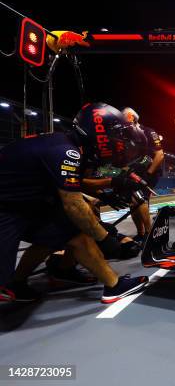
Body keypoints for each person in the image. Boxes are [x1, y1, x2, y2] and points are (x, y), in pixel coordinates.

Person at [0, 102, 149, 304]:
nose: (118, 141)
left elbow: (73, 184)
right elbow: (73, 205)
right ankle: (112, 286)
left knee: (66, 231)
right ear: (99, 131)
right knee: (2, 285)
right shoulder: (66, 152)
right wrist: (105, 239)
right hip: (8, 209)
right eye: (114, 134)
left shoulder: (66, 144)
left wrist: (104, 195)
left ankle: (106, 283)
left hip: (21, 206)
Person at [122, 107, 165, 242]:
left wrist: (148, 174)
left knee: (138, 198)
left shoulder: (149, 131)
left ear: (131, 117)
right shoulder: (124, 134)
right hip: (134, 172)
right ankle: (141, 233)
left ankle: (149, 233)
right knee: (132, 202)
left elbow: (160, 155)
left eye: (122, 117)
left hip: (150, 170)